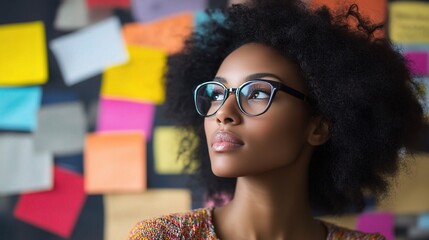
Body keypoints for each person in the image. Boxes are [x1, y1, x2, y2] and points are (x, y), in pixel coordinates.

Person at [128, 0, 425, 239]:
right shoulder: (161, 236)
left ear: (318, 127)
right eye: (217, 93)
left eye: (257, 92)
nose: (223, 112)